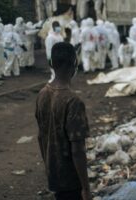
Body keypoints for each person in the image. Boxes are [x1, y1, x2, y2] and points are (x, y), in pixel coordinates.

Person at [36, 42, 91, 200]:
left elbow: (41, 136)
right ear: (75, 63)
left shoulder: (42, 94)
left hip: (53, 174)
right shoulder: (73, 101)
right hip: (71, 180)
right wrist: (86, 189)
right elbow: (78, 150)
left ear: (51, 64)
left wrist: (49, 166)